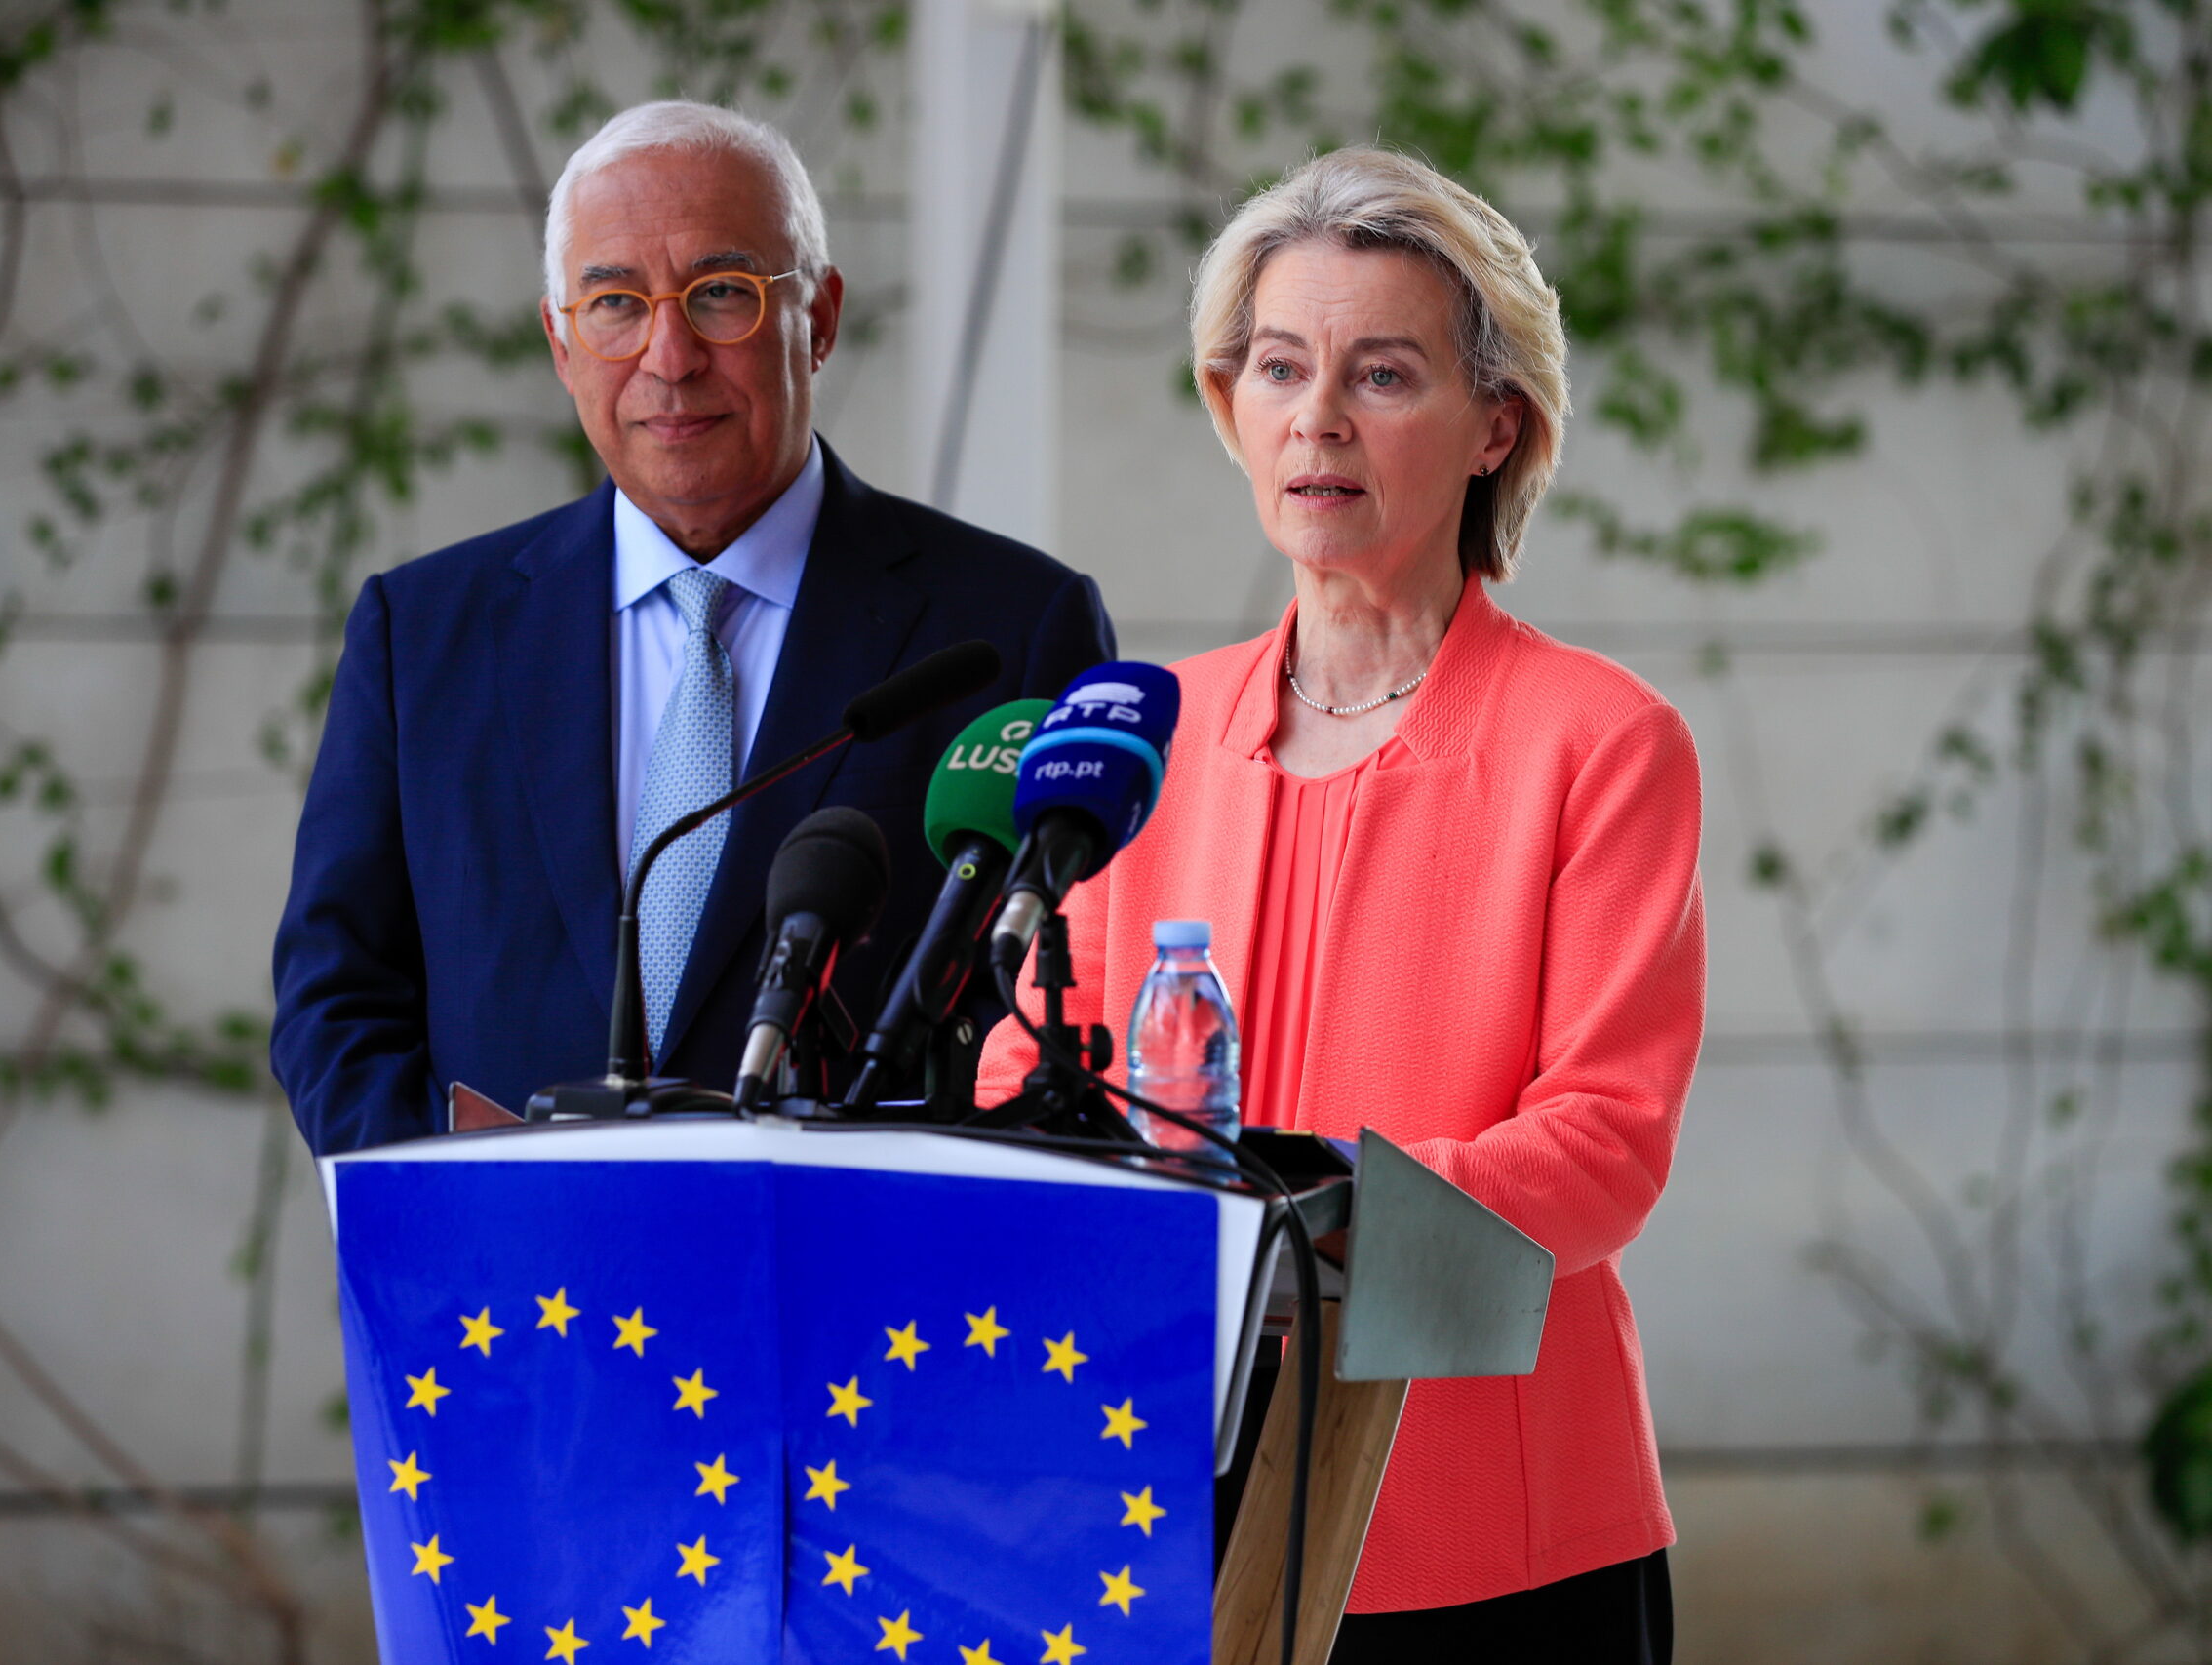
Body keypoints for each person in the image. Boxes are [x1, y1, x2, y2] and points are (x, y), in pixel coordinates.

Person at [979, 147, 1702, 1661]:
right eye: (1278, 367)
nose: (1317, 418)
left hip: (1496, 1530)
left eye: (1382, 373)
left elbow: (1604, 1145)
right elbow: (1024, 1073)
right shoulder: (1140, 735)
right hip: (1161, 1489)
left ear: (1497, 423)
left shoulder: (1602, 742)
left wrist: (1309, 1230)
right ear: (1229, 404)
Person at [273, 102, 1115, 1155]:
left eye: (721, 294)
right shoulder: (423, 636)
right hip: (509, 1258)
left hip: (852, 1255)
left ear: (820, 317)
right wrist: (463, 1213)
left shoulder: (1011, 628)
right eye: (614, 304)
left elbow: (1045, 1006)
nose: (668, 358)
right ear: (560, 343)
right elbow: (336, 1001)